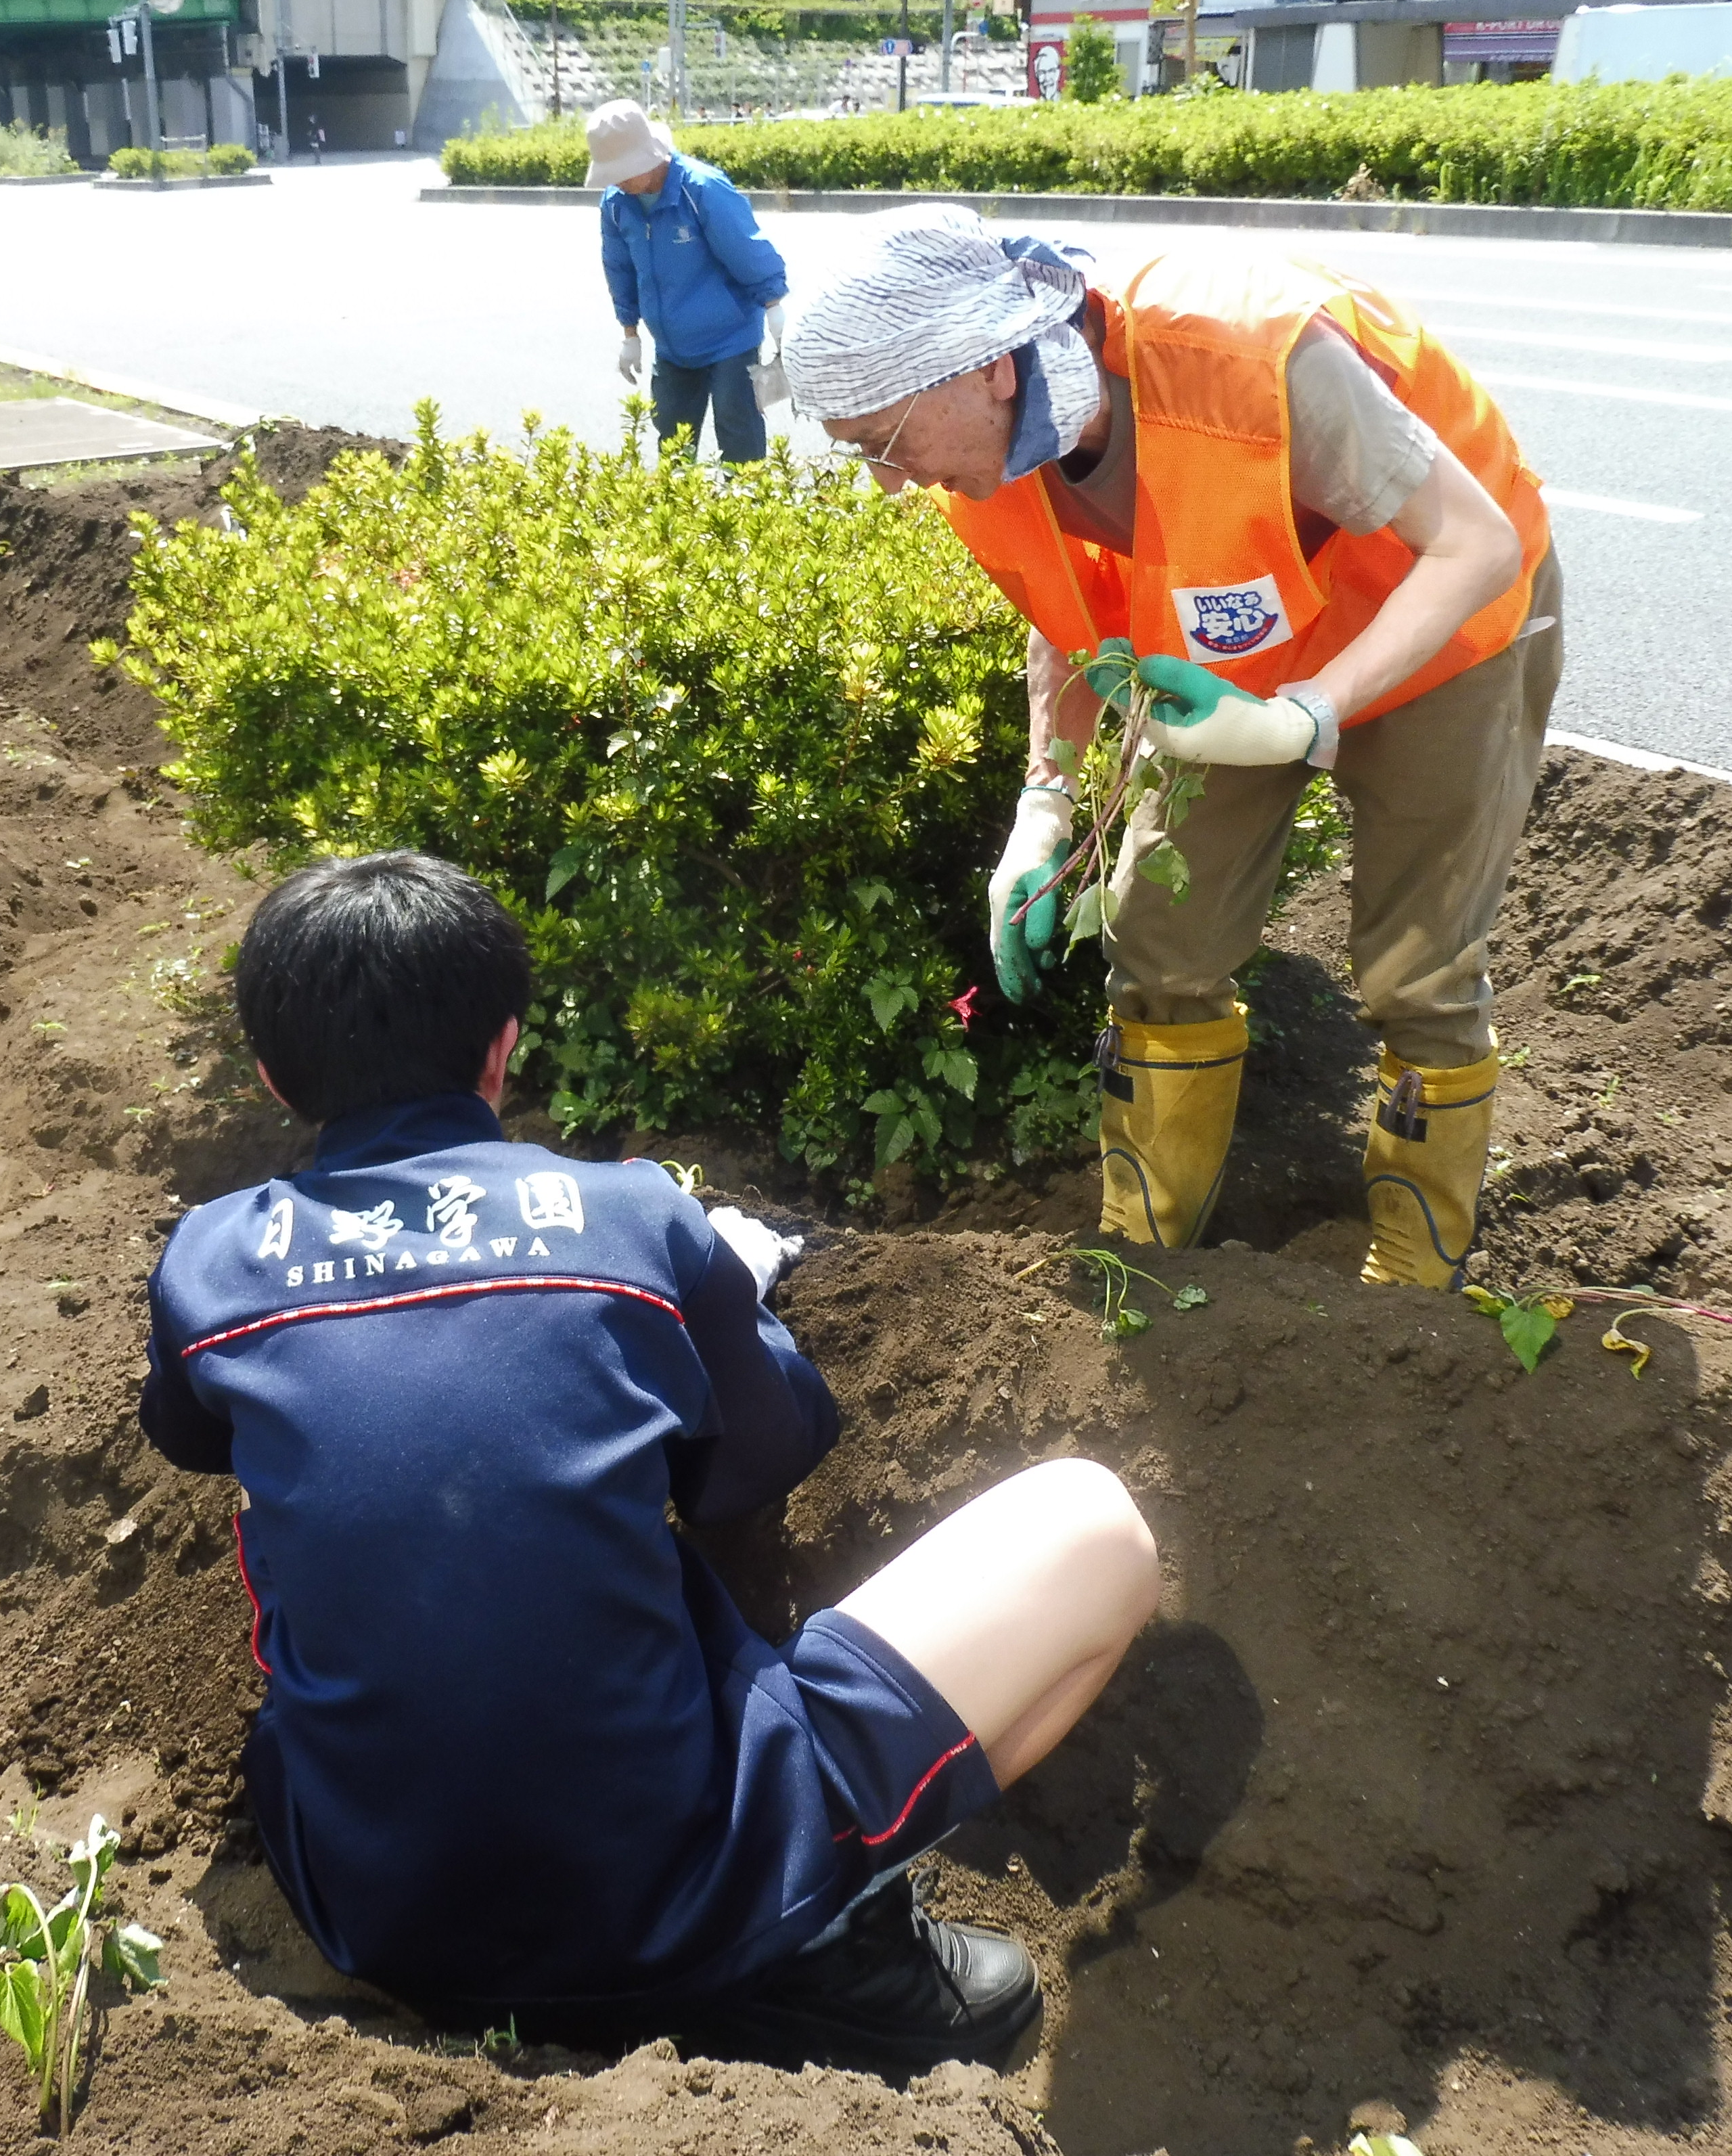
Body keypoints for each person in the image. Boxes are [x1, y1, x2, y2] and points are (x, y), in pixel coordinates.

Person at [141, 851, 1159, 2069]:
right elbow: (765, 1454)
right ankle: (815, 1933)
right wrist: (719, 1290)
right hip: (678, 1898)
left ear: (270, 1075)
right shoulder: (626, 1217)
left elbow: (190, 1434)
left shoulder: (210, 1264)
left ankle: (662, 1940)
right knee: (1095, 1524)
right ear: (501, 1049)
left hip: (371, 1912)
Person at [785, 208, 1562, 1289]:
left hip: (1441, 628)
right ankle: (1144, 1250)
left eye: (883, 440)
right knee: (1159, 931)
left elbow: (1471, 545)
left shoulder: (1248, 360)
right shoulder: (996, 447)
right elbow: (1067, 605)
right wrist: (1045, 801)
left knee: (1418, 967)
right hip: (1234, 652)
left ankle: (1412, 1284)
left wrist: (1308, 716)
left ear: (991, 370)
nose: (887, 478)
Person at [588, 97, 790, 465]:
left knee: (739, 436)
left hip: (730, 339)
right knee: (673, 445)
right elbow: (619, 267)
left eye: (622, 170)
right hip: (672, 347)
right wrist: (629, 332)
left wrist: (774, 305)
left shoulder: (701, 189)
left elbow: (746, 248)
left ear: (648, 158)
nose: (616, 180)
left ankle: (747, 516)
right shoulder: (617, 203)